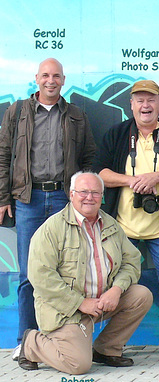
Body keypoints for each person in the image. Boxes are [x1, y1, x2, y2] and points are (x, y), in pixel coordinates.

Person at [0, 58, 96, 362]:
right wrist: (3, 198)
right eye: (45, 75)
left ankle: (60, 341)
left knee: (66, 273)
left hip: (63, 201)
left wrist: (83, 197)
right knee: (31, 274)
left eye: (56, 76)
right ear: (36, 79)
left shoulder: (77, 116)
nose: (50, 81)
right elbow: (3, 156)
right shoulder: (17, 112)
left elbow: (89, 158)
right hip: (28, 200)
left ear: (63, 80)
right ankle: (25, 342)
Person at [93, 80, 159, 357]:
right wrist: (133, 181)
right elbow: (99, 173)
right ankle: (111, 342)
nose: (145, 105)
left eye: (150, 100)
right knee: (114, 282)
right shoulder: (116, 135)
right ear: (131, 105)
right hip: (121, 227)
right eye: (139, 100)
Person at [17, 172, 152, 375]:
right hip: (66, 311)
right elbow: (41, 277)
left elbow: (131, 260)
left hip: (100, 302)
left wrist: (116, 289)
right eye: (83, 192)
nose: (89, 197)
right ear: (71, 194)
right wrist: (79, 303)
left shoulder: (111, 224)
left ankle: (106, 350)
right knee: (78, 365)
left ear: (102, 196)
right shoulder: (51, 229)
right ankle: (31, 344)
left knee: (141, 296)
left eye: (95, 193)